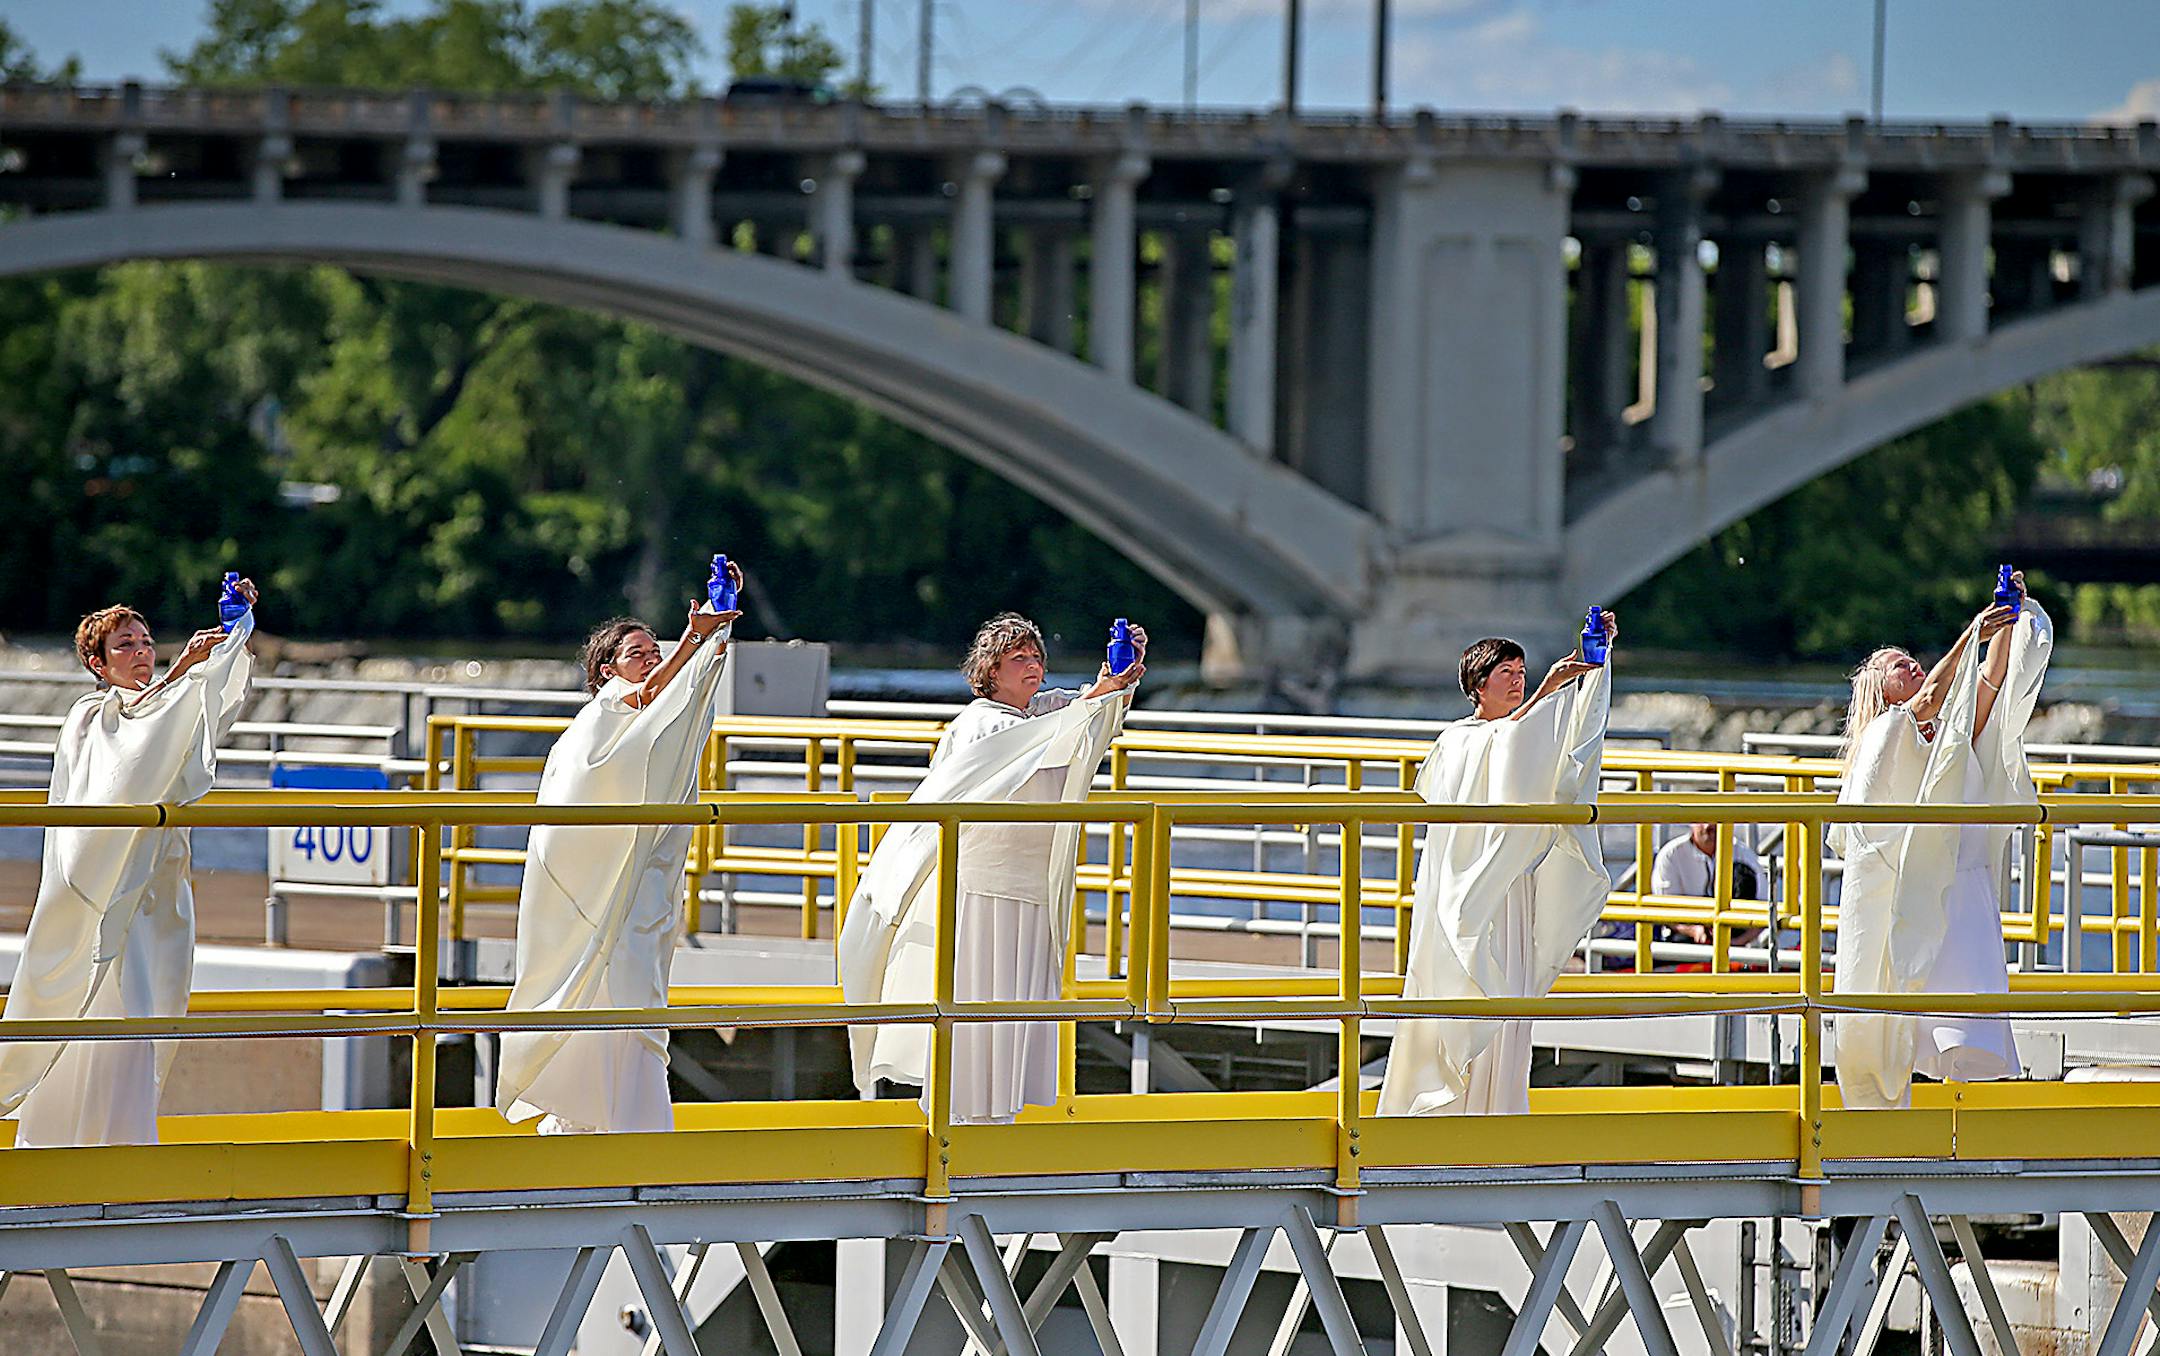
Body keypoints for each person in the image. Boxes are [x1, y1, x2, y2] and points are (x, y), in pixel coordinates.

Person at [839, 613, 1145, 1125]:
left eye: (1036, 656)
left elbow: (1087, 716)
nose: (1033, 665)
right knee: (975, 1005)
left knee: (1011, 1007)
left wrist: (1119, 677)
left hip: (1027, 884)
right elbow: (1052, 735)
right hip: (980, 886)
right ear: (991, 670)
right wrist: (1103, 692)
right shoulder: (984, 722)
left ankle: (996, 1120)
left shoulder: (1037, 716)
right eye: (1018, 658)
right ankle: (959, 1121)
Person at [0, 582, 259, 1147]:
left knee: (145, 1010)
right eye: (125, 645)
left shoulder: (158, 705)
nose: (142, 651)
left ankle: (121, 1142)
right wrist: (188, 667)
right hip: (100, 891)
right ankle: (63, 1143)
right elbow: (136, 740)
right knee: (97, 1008)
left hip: (149, 890)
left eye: (145, 641)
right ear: (96, 662)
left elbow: (192, 717)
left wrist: (234, 636)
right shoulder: (90, 716)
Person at [494, 566, 741, 1135]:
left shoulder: (648, 727)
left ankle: (614, 1124)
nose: (652, 662)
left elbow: (686, 693)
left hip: (637, 889)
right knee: (606, 999)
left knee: (632, 1001)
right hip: (593, 896)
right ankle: (599, 1124)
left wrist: (716, 633)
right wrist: (697, 636)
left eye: (657, 651)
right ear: (608, 672)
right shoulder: (605, 714)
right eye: (639, 654)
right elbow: (657, 690)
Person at [1379, 614, 1616, 1117]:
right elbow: (1508, 744)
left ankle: (1501, 1109)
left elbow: (1566, 748)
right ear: (1478, 686)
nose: (1518, 679)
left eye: (1522, 671)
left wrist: (1596, 667)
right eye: (1506, 671)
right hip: (1468, 897)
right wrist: (1551, 689)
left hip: (1512, 888)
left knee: (1511, 1003)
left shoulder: (1515, 727)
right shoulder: (1458, 741)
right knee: (1469, 995)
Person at [1833, 573, 2050, 1111]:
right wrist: (1974, 629)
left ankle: (1960, 1133)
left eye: (1909, 658)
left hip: (1961, 889)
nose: (1909, 664)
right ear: (1880, 691)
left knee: (1961, 1031)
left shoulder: (1950, 732)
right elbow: (1930, 696)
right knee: (1912, 1013)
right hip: (1916, 892)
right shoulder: (1888, 732)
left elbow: (1991, 680)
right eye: (1895, 666)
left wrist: (2007, 617)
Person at [1648, 821, 1765, 962]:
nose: (1708, 826)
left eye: (1716, 819)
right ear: (1691, 822)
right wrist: (1694, 930)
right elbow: (1663, 910)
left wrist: (1736, 942)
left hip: (1734, 944)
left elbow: (1763, 909)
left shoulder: (1744, 854)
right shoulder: (1671, 855)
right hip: (1681, 944)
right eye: (1702, 819)